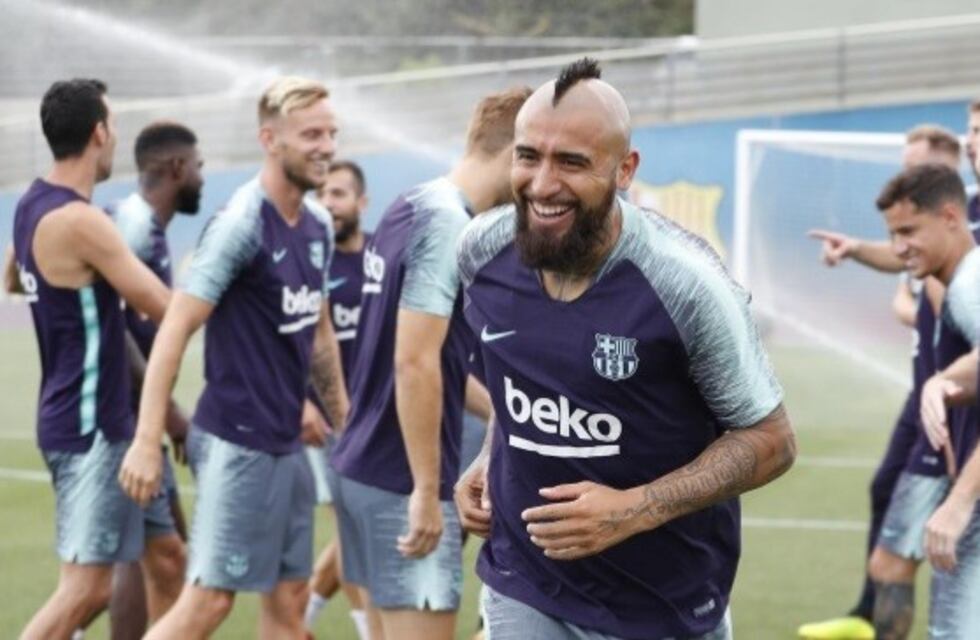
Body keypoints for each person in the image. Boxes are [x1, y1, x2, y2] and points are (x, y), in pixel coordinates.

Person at [454, 57, 795, 640]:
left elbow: (772, 442)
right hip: (523, 580)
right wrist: (490, 456)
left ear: (624, 169)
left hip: (659, 604)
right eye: (528, 155)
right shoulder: (481, 253)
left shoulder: (686, 283)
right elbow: (516, 381)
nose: (541, 184)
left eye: (572, 163)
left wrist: (633, 507)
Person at [117, 75, 350, 639]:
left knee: (290, 600)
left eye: (332, 132)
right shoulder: (241, 223)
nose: (326, 146)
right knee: (209, 603)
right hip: (235, 446)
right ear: (270, 140)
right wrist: (148, 440)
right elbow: (174, 328)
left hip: (286, 446)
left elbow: (318, 332)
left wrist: (346, 421)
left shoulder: (317, 224)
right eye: (311, 134)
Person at [327, 85, 531, 640]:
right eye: (534, 158)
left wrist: (503, 412)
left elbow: (434, 357)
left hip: (359, 467)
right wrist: (424, 489)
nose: (540, 181)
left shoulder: (410, 202)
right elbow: (413, 362)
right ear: (514, 153)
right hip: (400, 481)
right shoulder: (448, 225)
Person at [10, 78, 170, 640]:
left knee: (171, 558)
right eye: (115, 126)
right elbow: (163, 308)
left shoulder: (32, 204)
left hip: (105, 424)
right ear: (99, 132)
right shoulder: (82, 222)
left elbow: (12, 275)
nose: (116, 137)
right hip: (91, 432)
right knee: (87, 588)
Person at [798, 125, 966, 640]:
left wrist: (961, 495)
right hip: (931, 400)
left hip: (957, 416)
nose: (900, 247)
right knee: (892, 564)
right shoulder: (935, 251)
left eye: (913, 163)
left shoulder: (967, 274)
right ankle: (867, 618)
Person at [105, 120, 204, 638]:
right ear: (176, 168)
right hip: (121, 424)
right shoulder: (133, 224)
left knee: (157, 558)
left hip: (133, 421)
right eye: (200, 166)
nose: (203, 178)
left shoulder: (148, 229)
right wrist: (169, 415)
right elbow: (112, 331)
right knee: (159, 561)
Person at [304, 159, 371, 639]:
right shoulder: (313, 263)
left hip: (379, 420)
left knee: (358, 529)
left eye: (340, 194)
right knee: (355, 530)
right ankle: (373, 630)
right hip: (330, 424)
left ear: (361, 203)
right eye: (324, 194)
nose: (330, 203)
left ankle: (297, 618)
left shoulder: (380, 262)